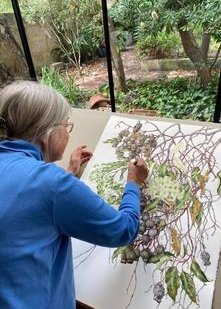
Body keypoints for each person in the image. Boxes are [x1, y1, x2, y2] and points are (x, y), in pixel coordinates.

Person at [0, 81, 148, 309]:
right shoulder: (53, 185)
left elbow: (26, 204)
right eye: (65, 126)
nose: (68, 134)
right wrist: (133, 183)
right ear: (46, 132)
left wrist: (69, 173)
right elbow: (121, 230)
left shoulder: (43, 180)